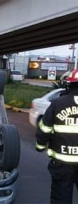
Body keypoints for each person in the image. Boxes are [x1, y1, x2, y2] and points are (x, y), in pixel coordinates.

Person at [36, 69, 78, 204]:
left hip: (62, 165)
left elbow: (44, 129)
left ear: (70, 84)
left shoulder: (58, 103)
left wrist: (40, 146)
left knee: (61, 198)